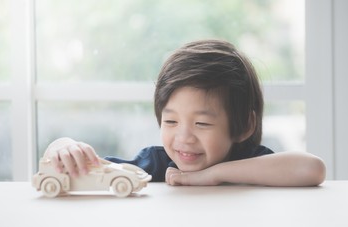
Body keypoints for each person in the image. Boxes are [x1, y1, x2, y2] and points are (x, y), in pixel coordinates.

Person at [43, 39, 326, 187]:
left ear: (244, 126)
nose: (183, 137)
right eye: (171, 121)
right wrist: (63, 146)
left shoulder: (250, 162)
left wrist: (213, 175)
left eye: (202, 123)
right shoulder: (157, 163)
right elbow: (95, 168)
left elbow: (312, 169)